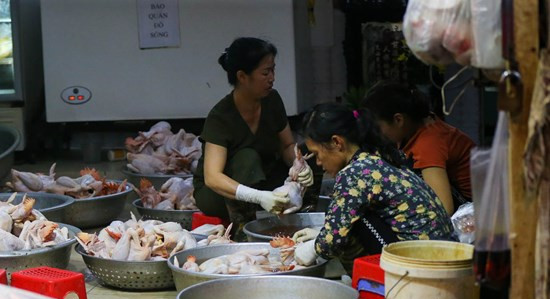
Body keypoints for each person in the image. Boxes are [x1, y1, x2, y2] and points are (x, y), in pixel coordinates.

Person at [292, 103, 455, 268]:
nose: (318, 163)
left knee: (350, 225)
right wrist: (322, 235)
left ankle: (371, 282)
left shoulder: (354, 173)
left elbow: (331, 241)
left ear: (337, 142)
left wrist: (311, 248)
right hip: (444, 257)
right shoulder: (376, 158)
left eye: (317, 154)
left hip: (422, 266)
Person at [193, 37, 314, 226]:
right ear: (242, 77)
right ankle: (242, 227)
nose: (272, 78)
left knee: (313, 150)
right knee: (247, 158)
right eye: (265, 73)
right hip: (220, 194)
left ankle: (307, 215)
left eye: (273, 70)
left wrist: (299, 165)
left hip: (261, 179)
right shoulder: (221, 117)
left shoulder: (272, 100)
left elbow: (287, 145)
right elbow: (212, 177)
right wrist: (258, 197)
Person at [362, 81, 475, 214]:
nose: (375, 133)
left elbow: (444, 209)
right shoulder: (416, 126)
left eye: (377, 127)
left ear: (398, 120)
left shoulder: (428, 143)